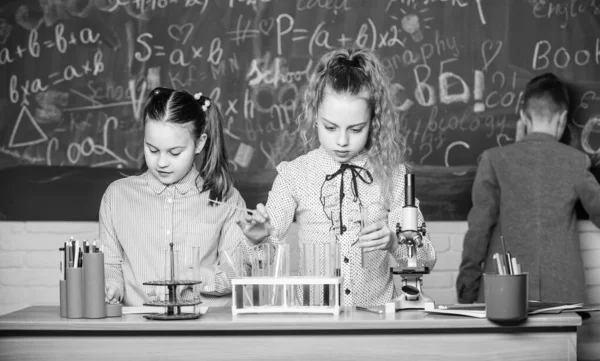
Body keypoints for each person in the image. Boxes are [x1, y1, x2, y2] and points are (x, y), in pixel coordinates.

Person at [237, 48, 437, 307]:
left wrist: (394, 242)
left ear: (373, 121)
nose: (342, 141)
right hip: (313, 323)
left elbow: (426, 259)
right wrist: (258, 237)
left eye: (356, 129)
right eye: (330, 127)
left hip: (374, 322)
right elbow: (258, 263)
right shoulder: (294, 174)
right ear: (315, 117)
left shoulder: (392, 176)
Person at [456, 73, 600, 304]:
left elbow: (478, 230)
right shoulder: (576, 162)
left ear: (523, 116)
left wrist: (467, 289)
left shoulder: (494, 160)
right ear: (562, 119)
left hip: (504, 293)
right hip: (563, 297)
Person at [102, 87, 249, 306]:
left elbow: (238, 271)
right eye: (152, 149)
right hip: (139, 328)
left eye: (174, 153)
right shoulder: (117, 196)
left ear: (199, 144)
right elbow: (110, 263)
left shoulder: (226, 199)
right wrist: (112, 286)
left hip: (204, 330)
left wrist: (195, 279)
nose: (161, 162)